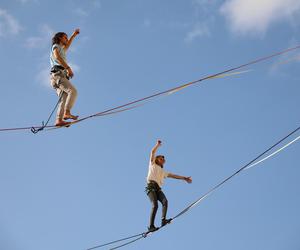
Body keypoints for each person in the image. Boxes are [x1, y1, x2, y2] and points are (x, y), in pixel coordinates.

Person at [146, 140, 192, 232]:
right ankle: (151, 226)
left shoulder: (163, 172)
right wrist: (157, 145)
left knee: (165, 201)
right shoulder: (152, 164)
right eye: (161, 158)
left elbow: (173, 176)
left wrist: (184, 178)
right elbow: (152, 152)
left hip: (158, 189)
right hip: (151, 187)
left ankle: (163, 220)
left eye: (164, 160)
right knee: (155, 205)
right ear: (157, 159)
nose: (163, 160)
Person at [50, 29, 80, 127]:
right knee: (73, 91)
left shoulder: (62, 49)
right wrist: (68, 68)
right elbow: (57, 57)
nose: (67, 39)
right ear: (59, 38)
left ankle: (59, 120)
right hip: (58, 75)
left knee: (64, 97)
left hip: (56, 77)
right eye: (65, 37)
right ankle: (67, 112)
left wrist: (73, 35)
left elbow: (68, 44)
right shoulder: (56, 47)